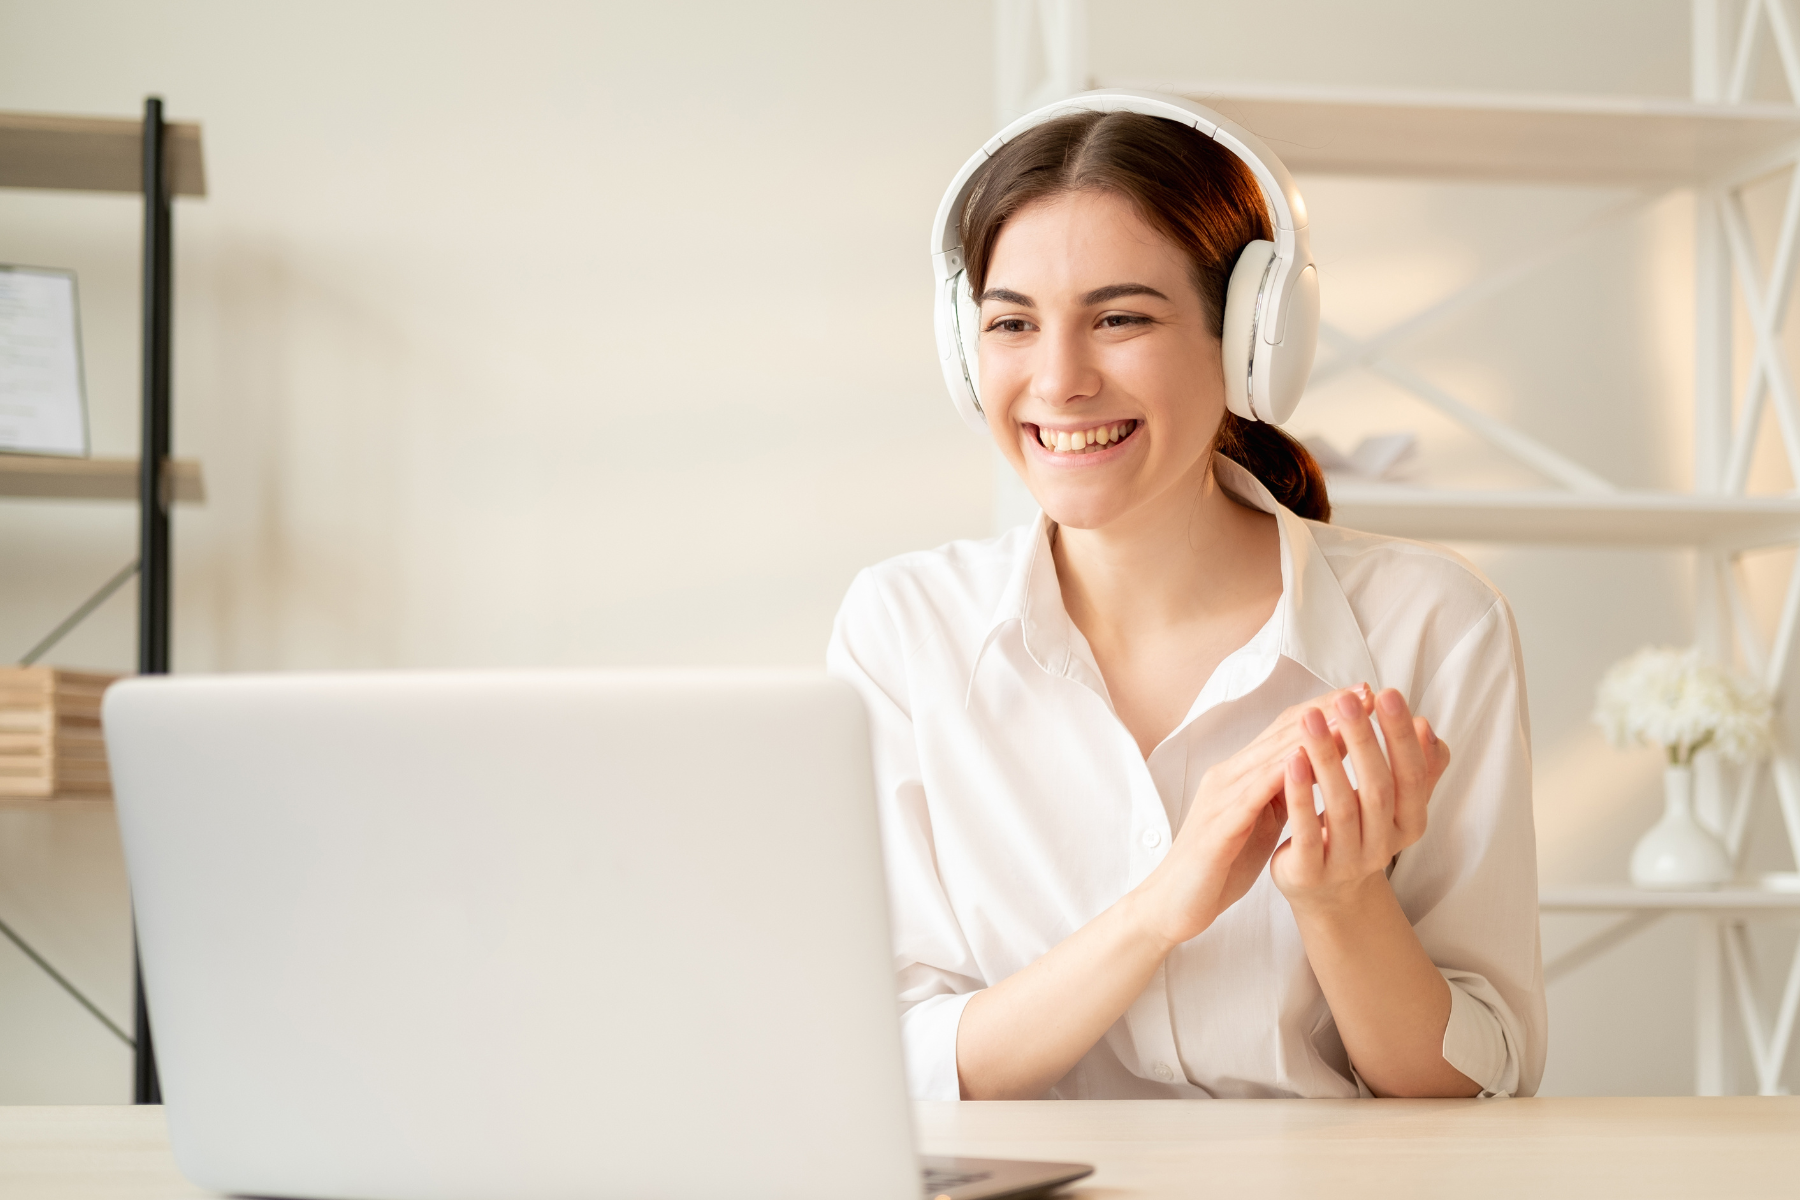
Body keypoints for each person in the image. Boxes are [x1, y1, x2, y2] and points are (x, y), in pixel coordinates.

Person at [827, 98, 1546, 1102]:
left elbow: (1484, 1079)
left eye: (1121, 318)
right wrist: (1162, 907)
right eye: (1012, 324)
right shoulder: (906, 630)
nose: (1060, 379)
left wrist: (1342, 907)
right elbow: (894, 1061)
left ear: (1252, 339)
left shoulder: (1429, 624)